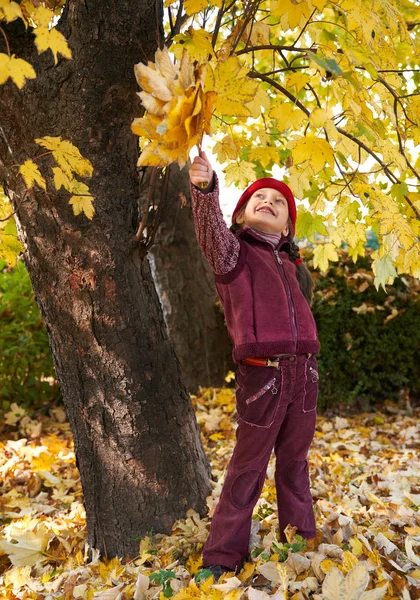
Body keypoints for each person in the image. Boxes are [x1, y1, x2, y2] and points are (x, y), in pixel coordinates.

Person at [189, 151, 321, 581]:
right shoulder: (234, 256)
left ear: (288, 226)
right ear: (242, 214)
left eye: (279, 201)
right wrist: (205, 189)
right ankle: (223, 555)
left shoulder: (293, 267)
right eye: (259, 197)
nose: (269, 201)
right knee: (248, 468)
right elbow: (208, 230)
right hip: (263, 377)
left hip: (305, 377)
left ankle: (300, 540)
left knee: (295, 463)